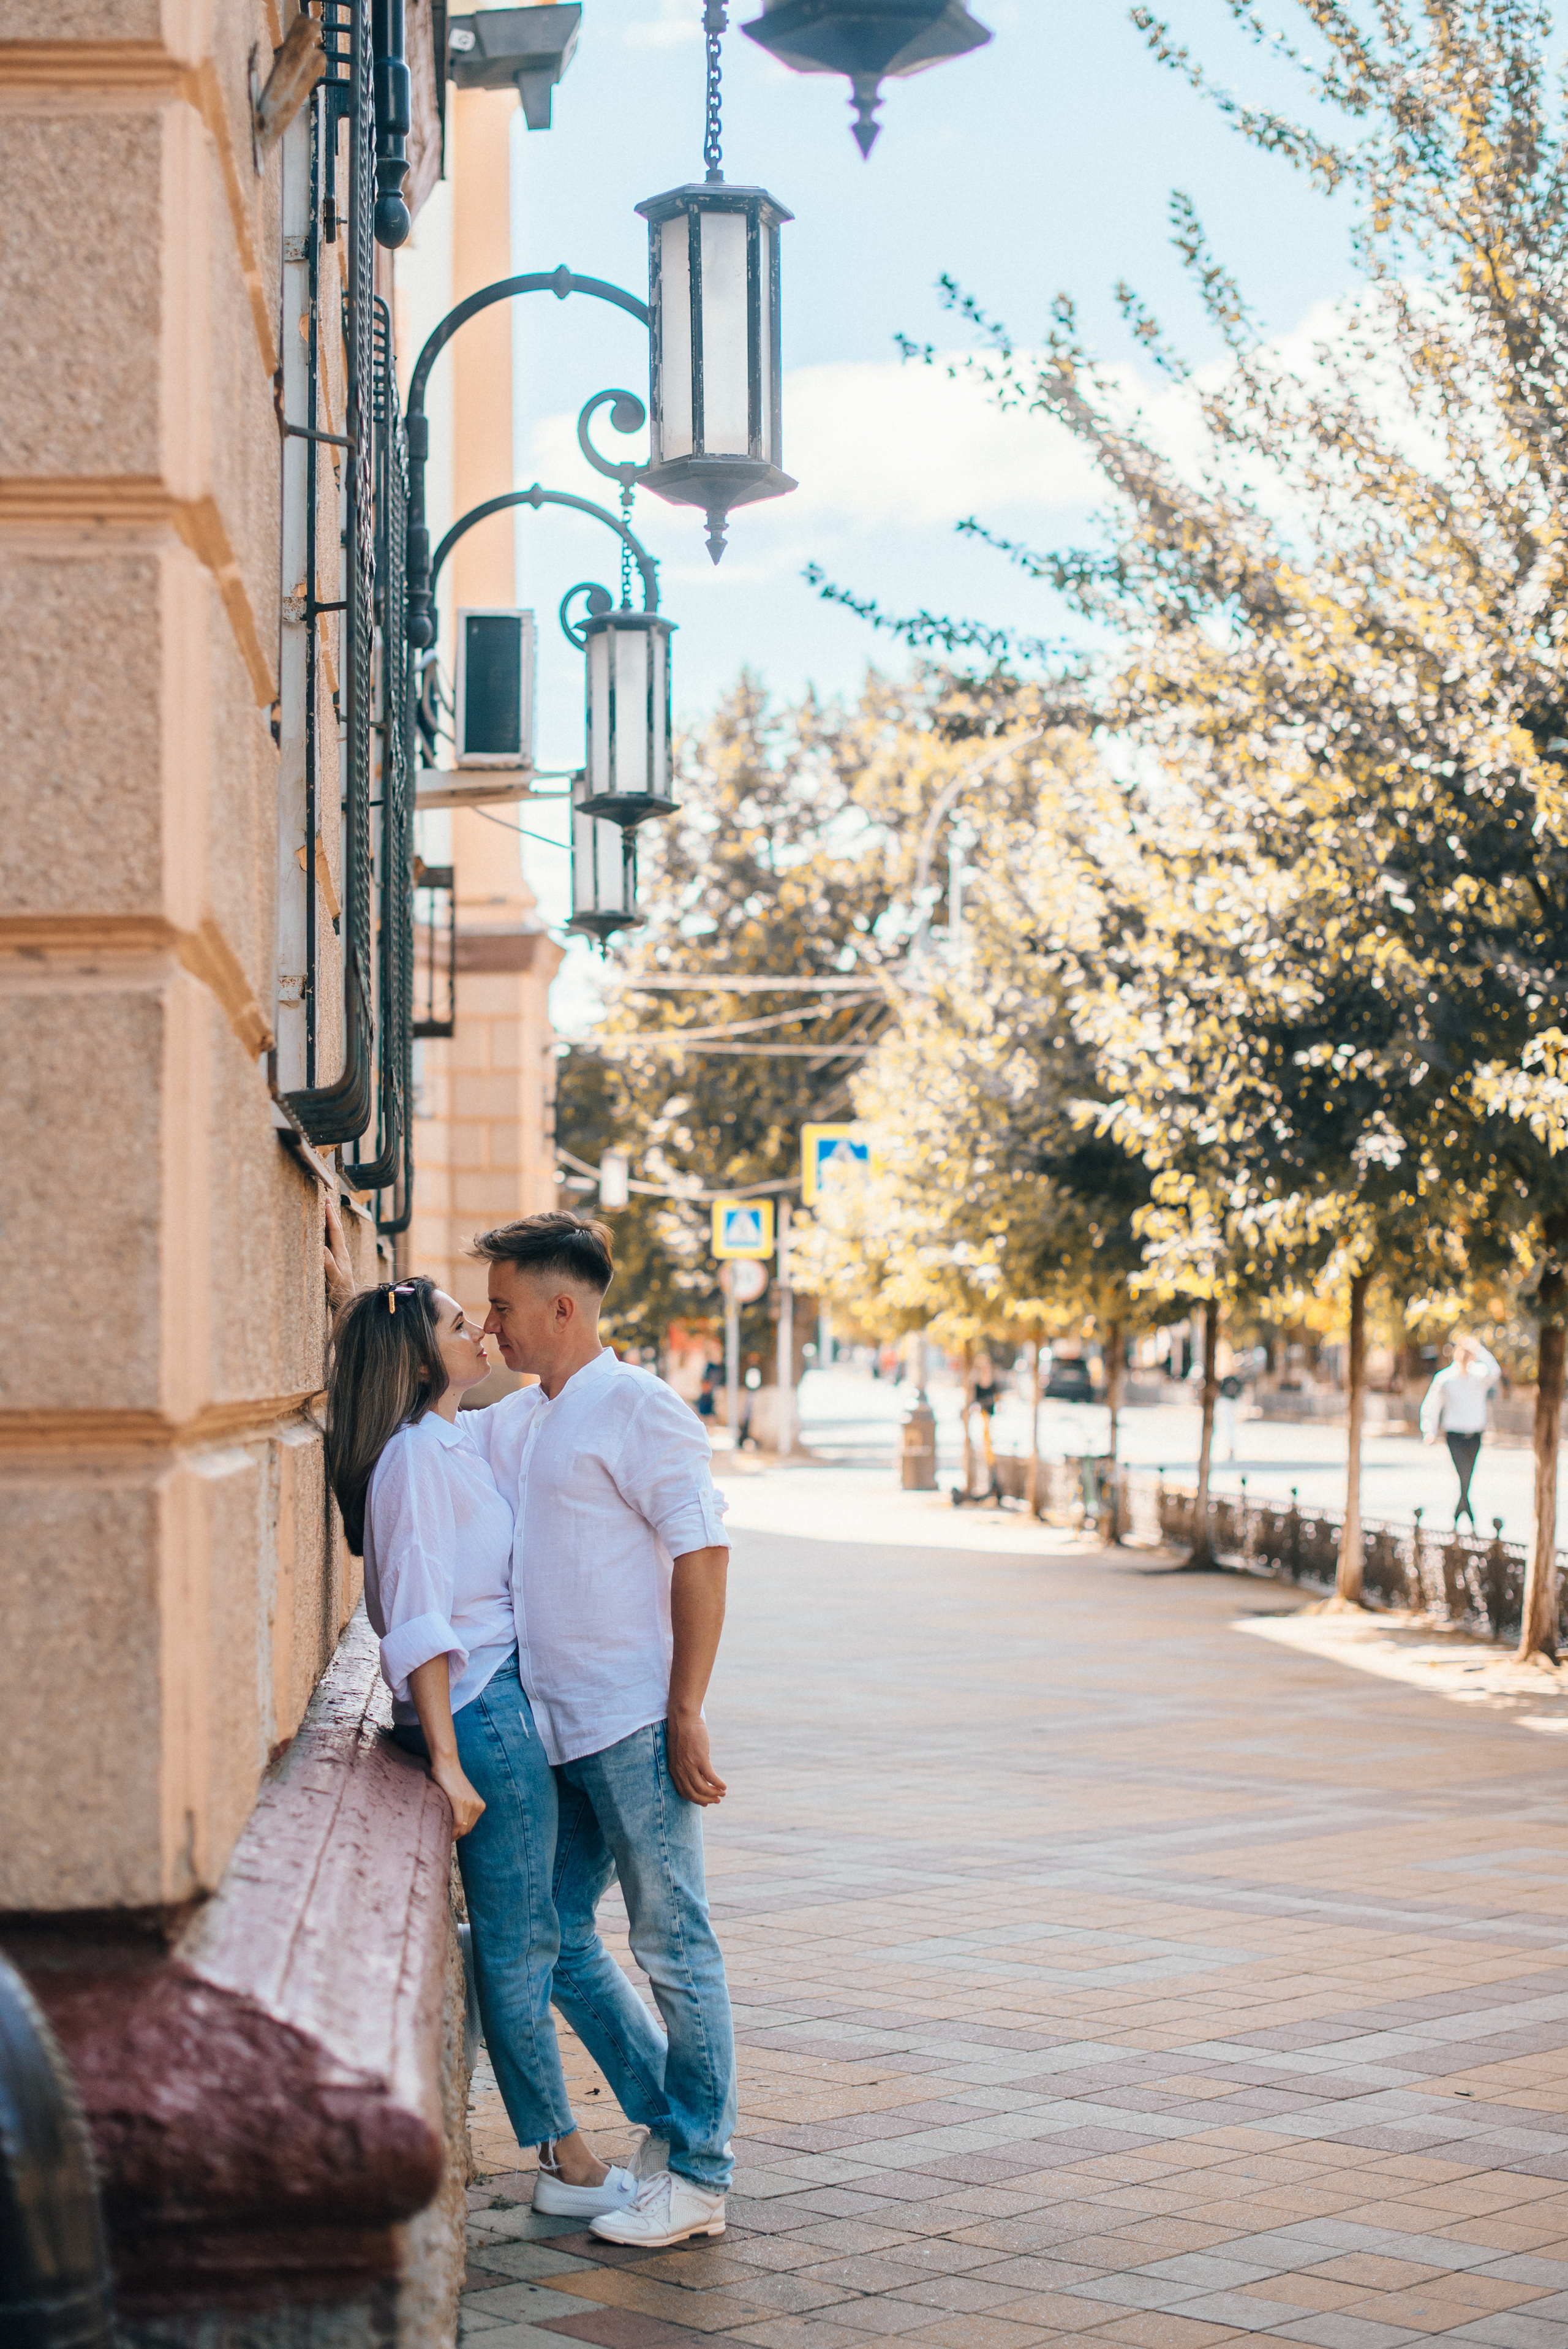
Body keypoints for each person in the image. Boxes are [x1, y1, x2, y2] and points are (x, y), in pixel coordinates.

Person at [324, 1274, 657, 2224]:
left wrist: (359, 1296)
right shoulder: (412, 1461)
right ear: (419, 1355)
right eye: (457, 1322)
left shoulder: (451, 1438)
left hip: (507, 1701)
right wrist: (445, 1758)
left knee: (539, 1932)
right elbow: (418, 1618)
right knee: (522, 1941)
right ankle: (566, 2159)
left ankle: (654, 2113)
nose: (479, 1329)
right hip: (481, 1713)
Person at [471, 1212, 736, 2250]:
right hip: (556, 1728)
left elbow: (702, 1552)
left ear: (562, 1307)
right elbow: (434, 1408)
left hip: (631, 1722)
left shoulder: (639, 1406)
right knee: (558, 1929)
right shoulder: (529, 1413)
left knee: (674, 1940)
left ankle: (702, 2175)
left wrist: (686, 1709)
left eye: (502, 1306)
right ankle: (670, 2126)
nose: (491, 1326)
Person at [1419, 1331, 1500, 1528]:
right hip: (1454, 1435)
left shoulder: (1479, 1376)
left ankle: (1461, 1509)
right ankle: (1467, 1514)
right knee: (1463, 1473)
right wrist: (1429, 1431)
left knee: (1468, 1475)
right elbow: (1431, 1405)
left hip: (1475, 1435)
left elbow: (1495, 1371)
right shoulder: (1446, 1378)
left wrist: (1478, 1349)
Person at [1215, 1371, 1243, 1462]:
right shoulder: (1227, 1381)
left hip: (1231, 1404)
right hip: (1226, 1403)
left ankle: (1231, 1448)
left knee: (1230, 1427)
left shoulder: (1234, 1381)